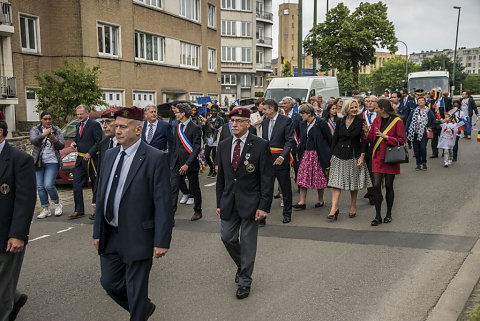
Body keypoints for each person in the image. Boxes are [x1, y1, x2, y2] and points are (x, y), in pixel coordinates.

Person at [93, 107, 172, 321]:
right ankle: (143, 309)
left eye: (122, 127)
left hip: (139, 234)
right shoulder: (109, 154)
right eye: (115, 126)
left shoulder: (155, 158)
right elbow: (102, 194)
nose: (116, 130)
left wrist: (162, 240)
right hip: (111, 234)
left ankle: (138, 312)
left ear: (138, 130)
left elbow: (163, 203)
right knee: (108, 282)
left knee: (136, 289)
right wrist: (97, 231)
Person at [216, 107, 273, 300]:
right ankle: (242, 266)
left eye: (239, 121)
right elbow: (221, 178)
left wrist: (264, 205)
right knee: (227, 237)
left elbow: (266, 177)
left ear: (248, 124)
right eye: (232, 121)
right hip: (229, 201)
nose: (234, 124)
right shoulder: (224, 145)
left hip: (251, 202)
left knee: (248, 244)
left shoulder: (260, 145)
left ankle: (245, 281)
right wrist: (218, 202)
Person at [0, 120, 36, 321]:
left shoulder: (19, 160)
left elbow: (25, 200)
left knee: (0, 291)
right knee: (4, 286)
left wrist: (17, 235)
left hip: (6, 236)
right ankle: (15, 297)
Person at [327, 99, 371, 221]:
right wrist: (331, 155)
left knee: (353, 183)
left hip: (353, 155)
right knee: (336, 182)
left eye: (356, 107)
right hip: (339, 154)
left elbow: (364, 141)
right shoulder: (340, 121)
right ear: (346, 109)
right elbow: (335, 139)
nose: (354, 109)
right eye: (352, 107)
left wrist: (362, 156)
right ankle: (334, 208)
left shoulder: (361, 121)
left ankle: (353, 206)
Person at [364, 98, 405, 226]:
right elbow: (371, 139)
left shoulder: (397, 121)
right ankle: (377, 215)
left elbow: (401, 140)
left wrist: (387, 137)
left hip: (390, 157)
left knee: (388, 186)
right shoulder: (376, 120)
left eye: (376, 108)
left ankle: (388, 214)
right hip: (377, 157)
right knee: (376, 185)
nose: (374, 110)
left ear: (383, 109)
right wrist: (366, 132)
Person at [260, 99, 295, 224]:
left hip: (281, 160)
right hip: (267, 161)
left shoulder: (286, 121)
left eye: (264, 109)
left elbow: (290, 140)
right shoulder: (264, 122)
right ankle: (262, 216)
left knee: (285, 189)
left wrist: (282, 156)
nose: (263, 111)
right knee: (265, 189)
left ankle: (287, 214)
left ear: (272, 109)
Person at [294, 103, 332, 209]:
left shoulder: (321, 123)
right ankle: (302, 202)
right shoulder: (302, 124)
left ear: (310, 113)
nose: (301, 115)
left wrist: (330, 154)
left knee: (319, 178)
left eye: (303, 113)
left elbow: (329, 139)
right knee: (302, 177)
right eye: (300, 113)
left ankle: (320, 200)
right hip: (306, 153)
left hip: (318, 154)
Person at [170, 103, 203, 221]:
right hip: (177, 163)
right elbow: (174, 146)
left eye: (177, 112)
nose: (175, 114)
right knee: (173, 189)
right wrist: (172, 162)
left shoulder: (195, 128)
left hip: (190, 164)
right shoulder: (177, 127)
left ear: (183, 113)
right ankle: (171, 216)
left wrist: (187, 164)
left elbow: (196, 148)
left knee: (194, 188)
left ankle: (198, 211)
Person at [70, 105, 103, 219]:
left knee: (95, 185)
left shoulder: (94, 125)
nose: (79, 116)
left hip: (92, 159)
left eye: (81, 114)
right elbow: (77, 137)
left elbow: (99, 141)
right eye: (78, 114)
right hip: (80, 159)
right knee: (76, 184)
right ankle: (79, 209)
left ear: (87, 113)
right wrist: (74, 142)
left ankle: (97, 209)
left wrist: (90, 153)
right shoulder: (78, 125)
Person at [29, 111, 64, 219]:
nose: (47, 121)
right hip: (39, 161)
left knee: (48, 185)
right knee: (40, 186)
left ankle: (57, 204)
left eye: (49, 119)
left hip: (52, 161)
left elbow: (61, 145)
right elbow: (33, 141)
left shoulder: (57, 130)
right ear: (41, 119)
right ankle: (45, 208)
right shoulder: (35, 129)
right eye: (45, 119)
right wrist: (43, 135)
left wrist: (54, 138)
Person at [91, 108, 118, 220]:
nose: (104, 125)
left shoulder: (126, 144)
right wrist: (95, 198)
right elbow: (100, 172)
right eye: (103, 122)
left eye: (108, 122)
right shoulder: (104, 144)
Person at [405, 95, 441, 171]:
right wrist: (405, 130)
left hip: (424, 132)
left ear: (425, 102)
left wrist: (441, 121)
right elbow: (408, 121)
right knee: (416, 150)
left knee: (423, 148)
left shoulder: (428, 111)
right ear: (417, 102)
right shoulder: (414, 111)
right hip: (414, 132)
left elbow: (434, 120)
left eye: (422, 100)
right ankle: (418, 164)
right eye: (419, 101)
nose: (421, 102)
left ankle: (424, 163)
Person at [204, 105, 224, 178]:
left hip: (216, 140)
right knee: (206, 155)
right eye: (212, 111)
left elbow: (220, 131)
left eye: (215, 111)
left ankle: (215, 171)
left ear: (217, 111)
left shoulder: (220, 119)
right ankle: (211, 168)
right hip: (209, 139)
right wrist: (204, 141)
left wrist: (214, 128)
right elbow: (205, 131)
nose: (213, 112)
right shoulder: (208, 120)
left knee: (214, 156)